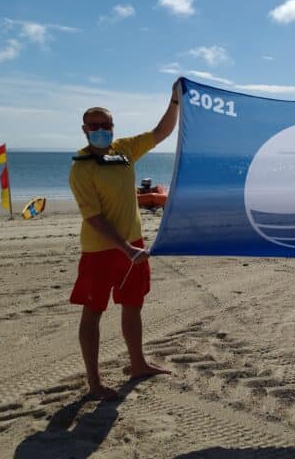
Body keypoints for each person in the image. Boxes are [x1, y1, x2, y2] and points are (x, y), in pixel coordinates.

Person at [68, 82, 180, 400]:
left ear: (112, 127)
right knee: (93, 312)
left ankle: (138, 364)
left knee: (133, 305)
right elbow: (94, 218)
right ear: (84, 130)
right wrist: (126, 248)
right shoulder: (81, 169)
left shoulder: (124, 150)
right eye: (94, 126)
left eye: (105, 125)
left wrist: (174, 100)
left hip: (133, 245)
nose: (100, 130)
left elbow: (161, 132)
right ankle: (94, 383)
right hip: (101, 251)